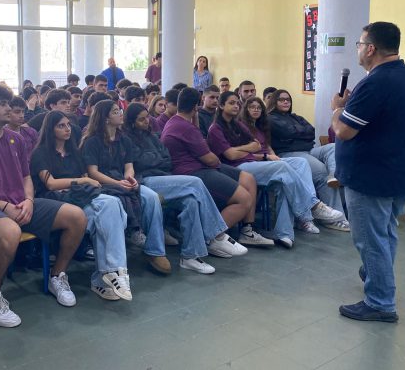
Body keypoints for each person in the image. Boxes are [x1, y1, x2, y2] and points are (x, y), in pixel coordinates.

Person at [0, 86, 87, 326]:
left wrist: (30, 201)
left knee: (76, 216)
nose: (9, 108)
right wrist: (3, 207)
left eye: (9, 103)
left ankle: (57, 275)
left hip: (20, 203)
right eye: (2, 103)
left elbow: (26, 179)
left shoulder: (17, 139)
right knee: (10, 233)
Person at [332, 21, 405, 323]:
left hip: (370, 178)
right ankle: (378, 276)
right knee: (386, 234)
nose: (359, 50)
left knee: (371, 241)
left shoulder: (376, 83)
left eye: (360, 45)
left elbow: (344, 130)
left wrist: (337, 108)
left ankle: (380, 302)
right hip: (399, 173)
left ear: (371, 48)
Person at [125, 103, 252, 270]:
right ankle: (216, 234)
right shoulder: (127, 139)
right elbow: (139, 164)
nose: (147, 121)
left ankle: (190, 256)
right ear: (132, 122)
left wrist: (153, 159)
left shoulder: (152, 136)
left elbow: (167, 159)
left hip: (164, 177)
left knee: (191, 200)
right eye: (141, 120)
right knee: (195, 182)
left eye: (147, 117)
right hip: (146, 181)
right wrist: (154, 159)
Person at [208, 93, 345, 246]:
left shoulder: (237, 125)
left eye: (237, 103)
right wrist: (248, 150)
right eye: (231, 103)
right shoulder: (216, 128)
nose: (235, 106)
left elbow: (256, 145)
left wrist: (243, 150)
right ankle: (312, 207)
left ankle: (284, 234)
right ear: (221, 106)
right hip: (235, 168)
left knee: (295, 168)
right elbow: (231, 155)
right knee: (282, 167)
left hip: (252, 162)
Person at [31, 110, 133, 300]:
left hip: (77, 196)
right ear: (50, 129)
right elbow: (51, 183)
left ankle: (113, 273)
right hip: (54, 200)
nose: (67, 129)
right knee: (108, 215)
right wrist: (80, 181)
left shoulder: (73, 152)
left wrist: (81, 181)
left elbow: (84, 176)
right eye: (61, 125)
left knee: (111, 205)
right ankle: (106, 276)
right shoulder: (40, 152)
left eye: (68, 124)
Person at [80, 100, 172, 274]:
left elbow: (129, 165)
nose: (120, 113)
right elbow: (93, 172)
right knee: (116, 200)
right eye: (115, 112)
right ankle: (132, 232)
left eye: (119, 110)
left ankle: (155, 250)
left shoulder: (124, 139)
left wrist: (129, 178)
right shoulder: (92, 141)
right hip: (103, 184)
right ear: (105, 118)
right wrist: (117, 183)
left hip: (122, 180)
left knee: (151, 197)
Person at [160, 88, 257, 251]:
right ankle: (212, 236)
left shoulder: (179, 123)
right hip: (193, 172)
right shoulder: (185, 127)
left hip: (203, 166)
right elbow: (210, 158)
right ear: (196, 107)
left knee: (248, 179)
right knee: (244, 199)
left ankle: (247, 231)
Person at [266, 89, 349, 230]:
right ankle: (333, 218)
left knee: (333, 148)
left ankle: (333, 175)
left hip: (307, 150)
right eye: (281, 99)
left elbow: (311, 131)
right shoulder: (270, 118)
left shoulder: (296, 117)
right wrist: (299, 132)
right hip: (289, 153)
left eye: (288, 99)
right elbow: (286, 131)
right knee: (320, 169)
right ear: (274, 102)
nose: (286, 101)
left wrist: (295, 132)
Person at [7, 96, 39, 163]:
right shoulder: (0, 134)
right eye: (17, 112)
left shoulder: (31, 132)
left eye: (23, 112)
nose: (21, 116)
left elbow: (38, 156)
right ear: (7, 112)